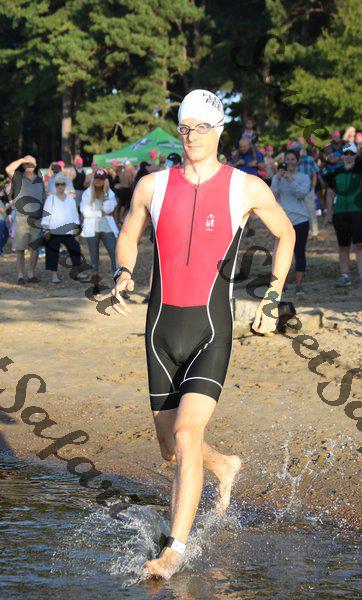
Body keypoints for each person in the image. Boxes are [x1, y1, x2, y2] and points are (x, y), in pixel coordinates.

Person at [111, 88, 295, 580]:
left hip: (211, 330)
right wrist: (123, 272)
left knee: (188, 433)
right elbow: (128, 235)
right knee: (170, 446)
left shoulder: (245, 187)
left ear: (219, 132)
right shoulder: (152, 186)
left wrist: (273, 297)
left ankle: (174, 550)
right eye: (185, 127)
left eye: (201, 128)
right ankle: (224, 466)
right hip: (159, 331)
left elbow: (287, 234)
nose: (191, 136)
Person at [325, 142, 362, 287]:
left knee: (360, 244)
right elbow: (330, 193)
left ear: (356, 155)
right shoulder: (335, 171)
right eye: (346, 153)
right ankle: (344, 275)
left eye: (351, 153)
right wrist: (329, 212)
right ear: (342, 155)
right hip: (340, 212)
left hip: (358, 211)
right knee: (343, 246)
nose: (349, 156)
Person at [271, 149, 311, 295]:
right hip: (283, 221)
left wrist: (290, 179)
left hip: (300, 220)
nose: (289, 162)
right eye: (287, 159)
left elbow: (301, 194)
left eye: (292, 159)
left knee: (299, 252)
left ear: (297, 161)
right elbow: (272, 195)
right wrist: (277, 179)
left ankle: (299, 285)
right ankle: (282, 284)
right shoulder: (277, 178)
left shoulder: (303, 177)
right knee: (282, 253)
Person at [6, 155, 46, 284]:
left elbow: (43, 197)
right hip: (21, 219)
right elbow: (8, 169)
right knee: (20, 248)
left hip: (37, 219)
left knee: (35, 248)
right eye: (27, 164)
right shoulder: (18, 177)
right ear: (23, 165)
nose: (29, 165)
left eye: (32, 163)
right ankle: (20, 275)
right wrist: (23, 160)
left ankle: (31, 274)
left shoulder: (40, 179)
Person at [80, 167, 119, 293]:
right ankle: (95, 286)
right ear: (94, 178)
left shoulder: (109, 193)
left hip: (107, 227)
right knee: (94, 257)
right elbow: (85, 211)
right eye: (97, 178)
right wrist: (99, 213)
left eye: (101, 179)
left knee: (115, 254)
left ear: (105, 180)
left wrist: (105, 194)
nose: (98, 181)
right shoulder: (87, 193)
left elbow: (109, 208)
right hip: (92, 228)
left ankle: (118, 285)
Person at [41, 174, 82, 283]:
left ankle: (76, 272)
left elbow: (75, 215)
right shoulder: (50, 199)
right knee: (52, 253)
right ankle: (54, 275)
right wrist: (46, 229)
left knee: (76, 249)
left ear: (65, 185)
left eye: (62, 184)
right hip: (53, 231)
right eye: (58, 184)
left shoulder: (70, 199)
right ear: (55, 186)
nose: (60, 186)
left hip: (68, 231)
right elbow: (46, 214)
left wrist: (76, 229)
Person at [297, 146, 320, 238]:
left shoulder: (309, 159)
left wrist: (313, 186)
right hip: (297, 189)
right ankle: (306, 231)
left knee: (311, 210)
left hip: (307, 188)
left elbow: (315, 173)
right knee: (302, 211)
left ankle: (314, 231)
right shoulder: (294, 160)